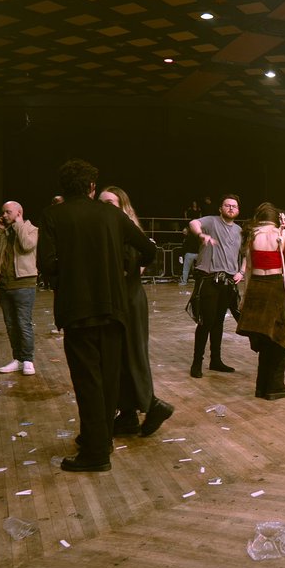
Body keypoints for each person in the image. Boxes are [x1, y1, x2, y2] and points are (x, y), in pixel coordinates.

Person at [39, 160, 171, 473]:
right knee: (108, 379)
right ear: (91, 187)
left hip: (77, 311)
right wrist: (124, 270)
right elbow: (150, 251)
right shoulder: (112, 215)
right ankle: (100, 439)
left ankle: (96, 452)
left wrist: (69, 275)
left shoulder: (52, 216)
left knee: (88, 381)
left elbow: (47, 265)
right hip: (115, 309)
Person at [98, 185, 169, 435]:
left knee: (132, 355)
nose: (104, 207)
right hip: (120, 299)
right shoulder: (111, 231)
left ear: (122, 207)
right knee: (120, 358)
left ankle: (152, 405)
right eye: (101, 202)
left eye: (110, 203)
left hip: (128, 300)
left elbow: (140, 261)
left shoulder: (126, 232)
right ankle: (127, 415)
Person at [236, 203, 285, 400]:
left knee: (264, 338)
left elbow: (248, 269)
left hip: (256, 288)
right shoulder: (282, 235)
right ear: (276, 218)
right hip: (275, 288)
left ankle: (261, 387)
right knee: (279, 338)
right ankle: (275, 387)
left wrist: (244, 296)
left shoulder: (252, 235)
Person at [188, 195, 245, 378]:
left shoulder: (239, 231)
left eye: (234, 206)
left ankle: (216, 360)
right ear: (220, 208)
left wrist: (241, 272)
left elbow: (247, 254)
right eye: (227, 205)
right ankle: (197, 363)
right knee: (205, 322)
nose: (230, 208)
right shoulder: (211, 222)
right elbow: (193, 222)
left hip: (228, 281)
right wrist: (201, 234)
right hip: (209, 278)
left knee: (219, 322)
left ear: (238, 210)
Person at [0, 200, 39, 376]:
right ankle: (18, 359)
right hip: (5, 284)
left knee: (23, 323)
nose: (4, 215)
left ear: (19, 213)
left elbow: (27, 245)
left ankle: (28, 360)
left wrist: (19, 225)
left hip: (24, 284)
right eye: (3, 212)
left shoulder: (31, 229)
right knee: (11, 325)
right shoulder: (2, 232)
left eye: (7, 212)